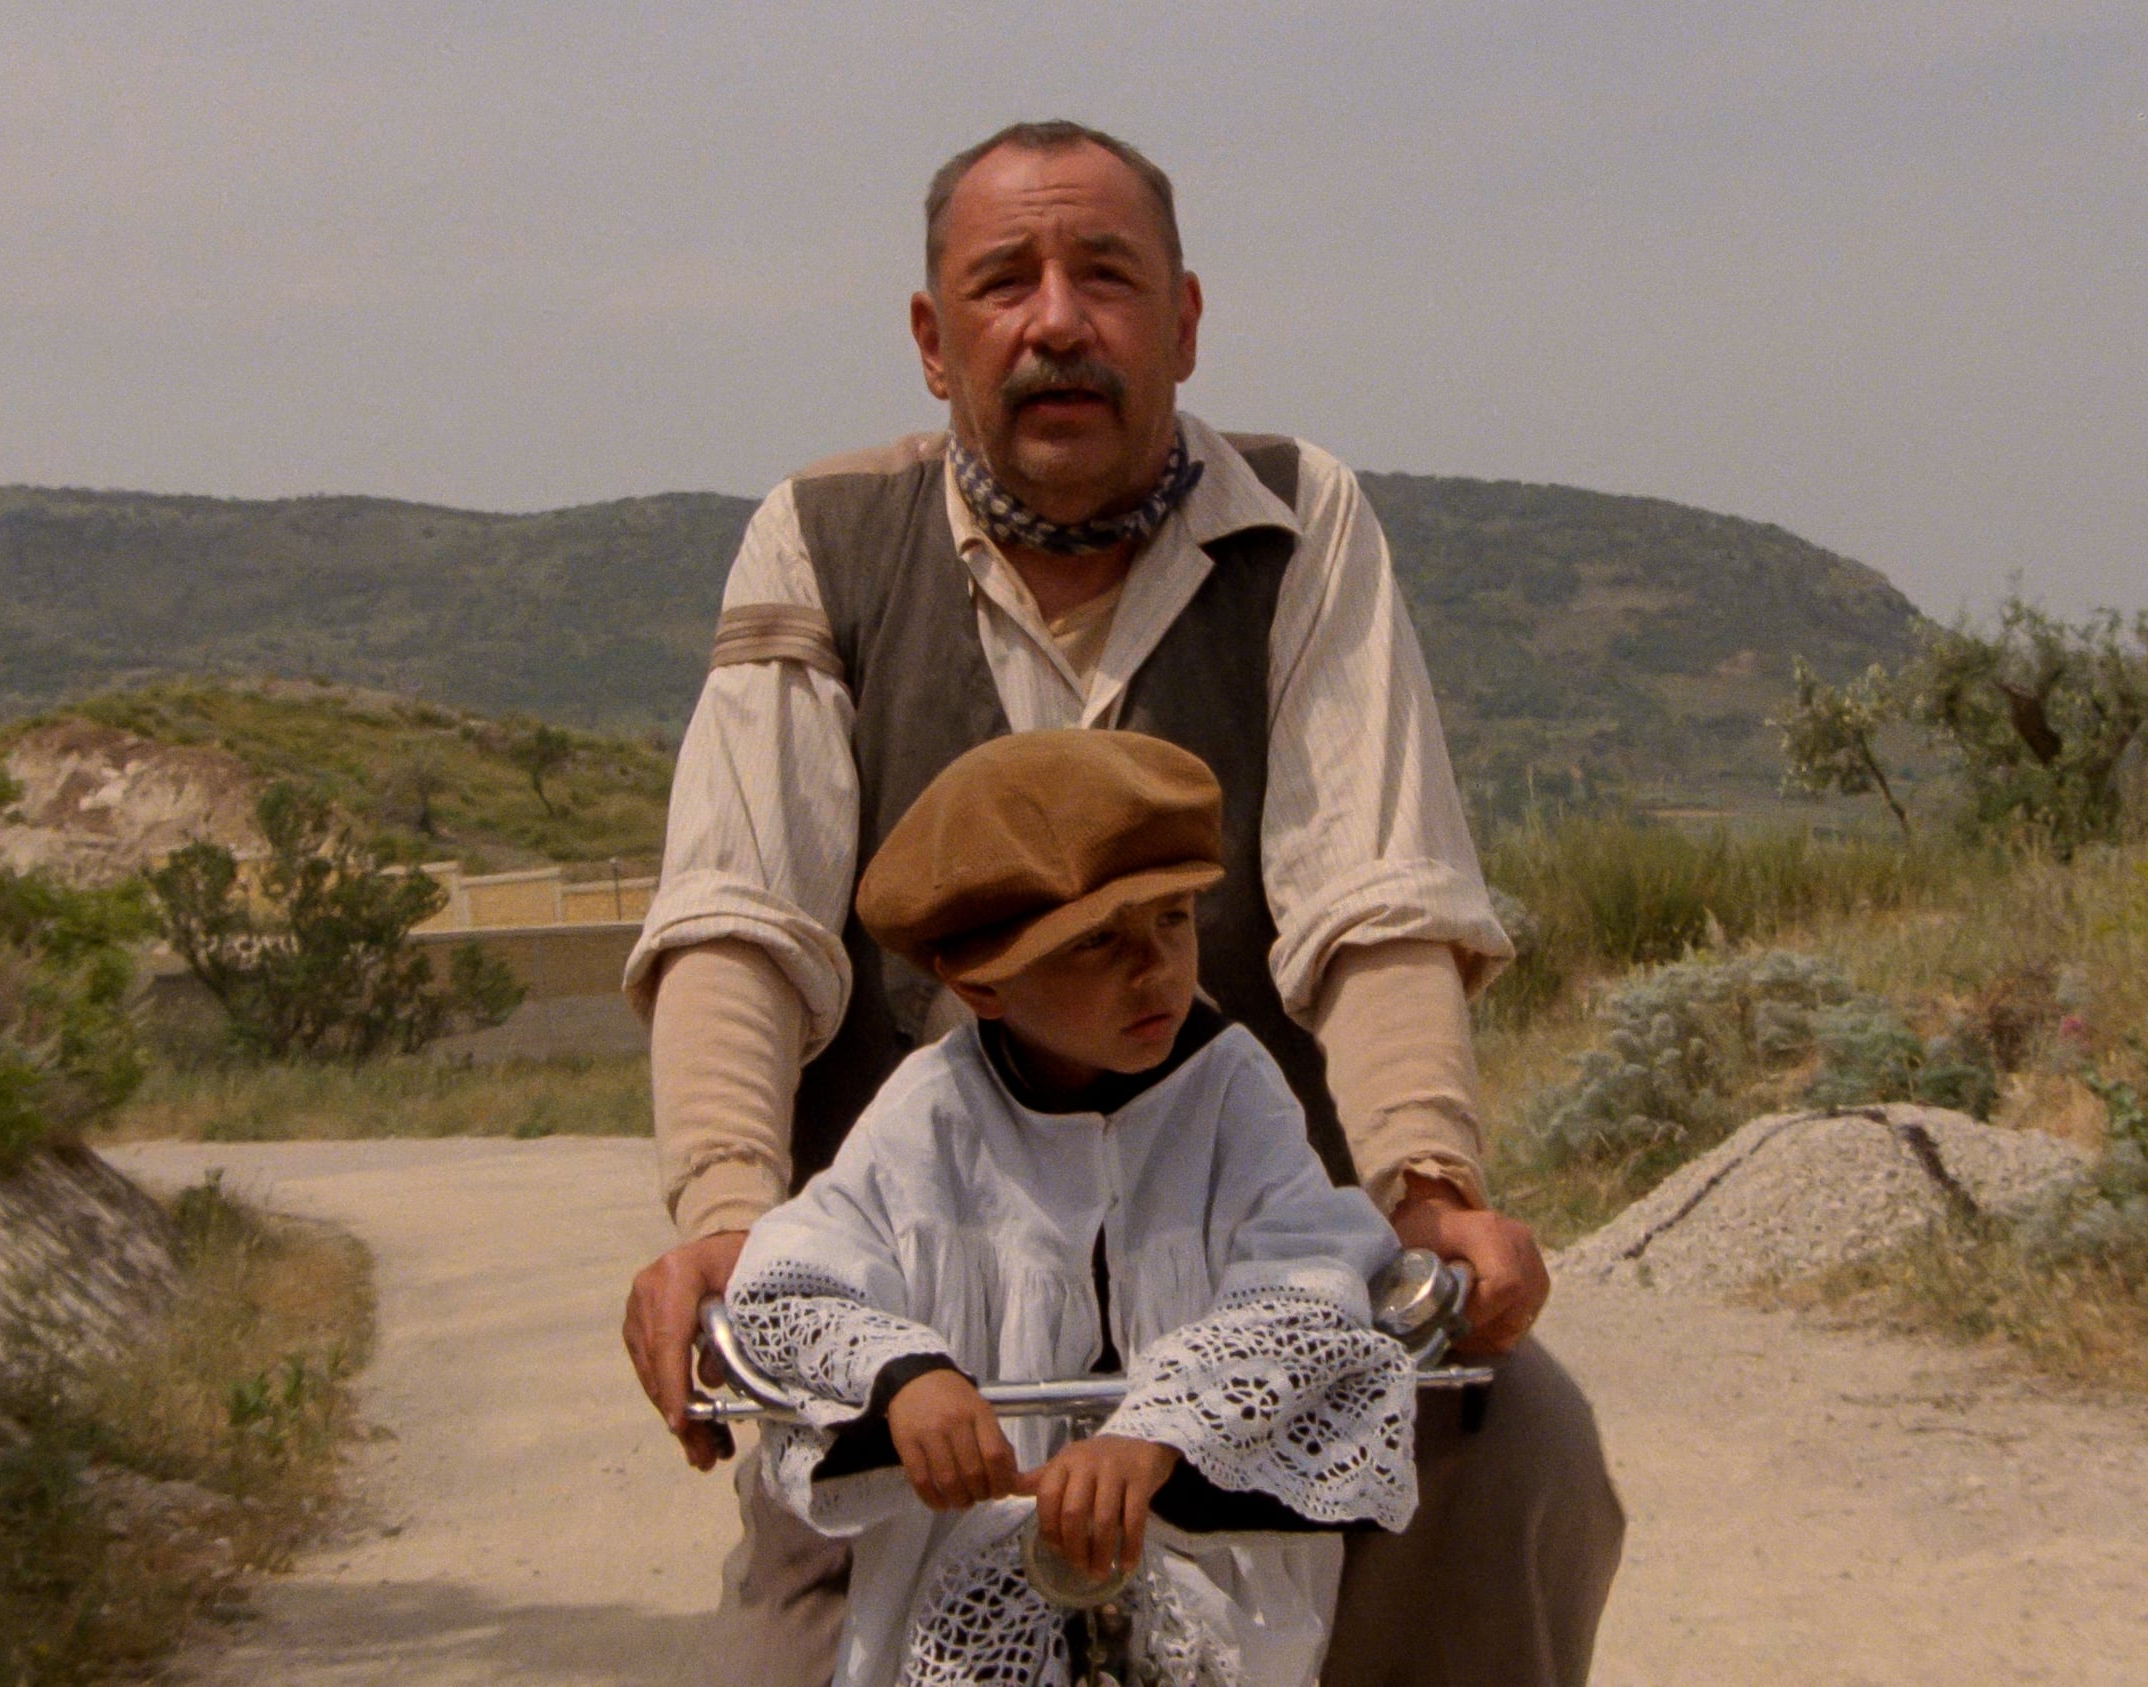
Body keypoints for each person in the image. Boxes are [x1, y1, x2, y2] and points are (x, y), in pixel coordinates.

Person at [623, 118, 1622, 1685]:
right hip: (929, 1298)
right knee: (793, 1652)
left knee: (1523, 1438)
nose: (1056, 320)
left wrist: (1425, 1182)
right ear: (932, 339)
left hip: (1239, 1258)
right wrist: (727, 1219)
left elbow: (1376, 896)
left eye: (1106, 274)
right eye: (1002, 282)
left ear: (1185, 318)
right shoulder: (822, 536)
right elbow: (743, 913)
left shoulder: (1299, 519)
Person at [727, 730, 1421, 1687]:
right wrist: (906, 1378)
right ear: (982, 981)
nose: (1156, 968)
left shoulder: (1231, 1089)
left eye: (1173, 919)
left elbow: (1305, 1279)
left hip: (1194, 1570)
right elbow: (792, 1281)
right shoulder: (931, 1113)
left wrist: (1160, 1427)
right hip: (970, 1574)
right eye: (1098, 941)